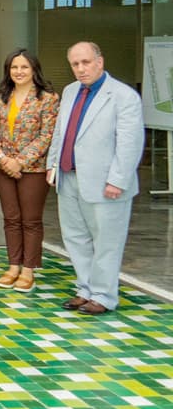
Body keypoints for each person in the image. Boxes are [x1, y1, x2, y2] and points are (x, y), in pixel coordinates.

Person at [47, 41, 144, 315]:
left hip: (106, 184)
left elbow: (130, 143)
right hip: (69, 177)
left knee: (106, 242)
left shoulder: (123, 96)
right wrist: (52, 165)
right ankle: (85, 289)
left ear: (100, 62)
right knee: (75, 238)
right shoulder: (70, 91)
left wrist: (118, 180)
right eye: (75, 64)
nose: (80, 69)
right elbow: (61, 133)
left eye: (85, 62)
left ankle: (104, 295)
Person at [0, 48, 60, 293]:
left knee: (30, 220)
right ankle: (12, 266)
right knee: (11, 219)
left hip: (33, 170)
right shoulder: (0, 96)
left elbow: (47, 135)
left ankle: (28, 270)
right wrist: (3, 158)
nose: (18, 72)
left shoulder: (48, 98)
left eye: (24, 67)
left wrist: (20, 161)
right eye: (14, 67)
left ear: (34, 70)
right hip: (3, 167)